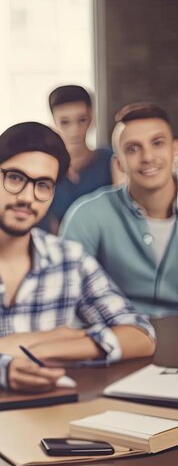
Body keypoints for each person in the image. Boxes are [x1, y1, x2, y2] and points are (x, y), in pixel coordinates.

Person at [0, 122, 155, 392]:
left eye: (43, 185)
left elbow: (141, 335)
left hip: (53, 413)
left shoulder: (69, 259)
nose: (28, 197)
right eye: (15, 178)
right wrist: (1, 368)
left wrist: (40, 346)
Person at [61, 102, 178, 317]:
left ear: (175, 149)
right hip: (118, 338)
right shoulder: (87, 215)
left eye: (158, 143)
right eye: (133, 149)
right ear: (119, 163)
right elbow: (68, 298)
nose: (148, 157)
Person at [39, 85, 119, 233]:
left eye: (81, 120)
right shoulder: (45, 170)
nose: (74, 130)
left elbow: (123, 212)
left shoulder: (110, 160)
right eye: (65, 122)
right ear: (53, 123)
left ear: (91, 119)